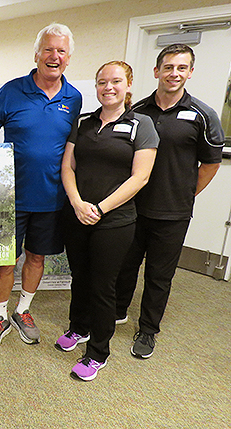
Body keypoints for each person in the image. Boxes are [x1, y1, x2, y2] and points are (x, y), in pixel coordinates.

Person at [0, 23, 82, 348]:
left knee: (37, 258)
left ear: (68, 58)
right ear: (37, 54)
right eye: (48, 49)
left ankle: (22, 310)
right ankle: (0, 314)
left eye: (61, 51)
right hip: (9, 196)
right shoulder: (12, 91)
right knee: (4, 260)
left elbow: (74, 148)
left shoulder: (75, 98)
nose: (54, 56)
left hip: (51, 197)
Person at [114, 44, 225, 359]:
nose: (174, 73)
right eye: (168, 67)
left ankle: (148, 330)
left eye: (181, 68)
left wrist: (186, 193)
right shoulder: (136, 111)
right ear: (156, 71)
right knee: (124, 266)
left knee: (159, 275)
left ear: (190, 72)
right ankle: (118, 310)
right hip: (133, 208)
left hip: (172, 213)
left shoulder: (203, 115)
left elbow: (211, 164)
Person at [56, 61, 159, 381]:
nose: (108, 87)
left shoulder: (142, 125)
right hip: (77, 214)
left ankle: (97, 352)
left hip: (114, 221)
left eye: (115, 81)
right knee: (80, 277)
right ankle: (79, 328)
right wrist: (76, 202)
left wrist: (99, 209)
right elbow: (68, 167)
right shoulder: (83, 123)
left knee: (103, 286)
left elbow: (139, 178)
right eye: (102, 82)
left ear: (129, 85)